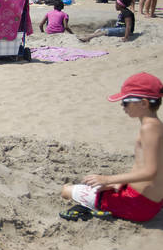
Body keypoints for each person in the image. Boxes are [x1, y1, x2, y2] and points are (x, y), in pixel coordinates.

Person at [60, 72, 163, 222]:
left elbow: (150, 172)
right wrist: (119, 183)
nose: (122, 105)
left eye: (126, 101)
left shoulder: (148, 129)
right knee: (96, 188)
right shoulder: (157, 126)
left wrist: (107, 179)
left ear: (144, 103)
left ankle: (96, 206)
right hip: (148, 201)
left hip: (137, 205)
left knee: (66, 190)